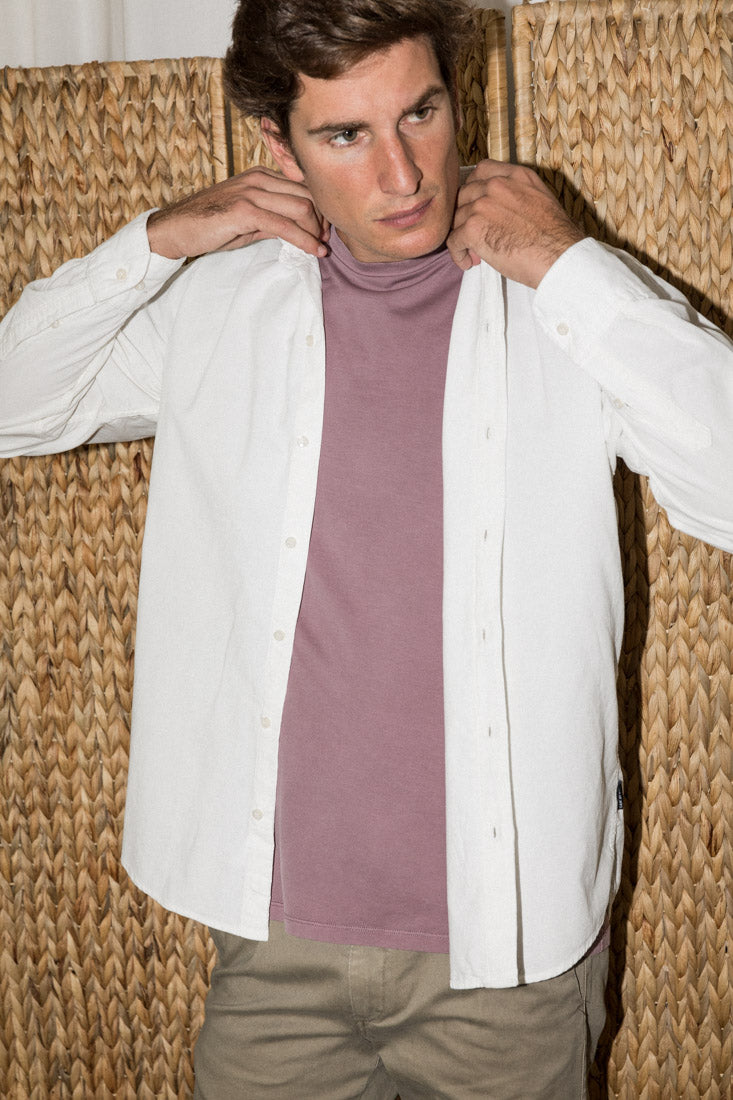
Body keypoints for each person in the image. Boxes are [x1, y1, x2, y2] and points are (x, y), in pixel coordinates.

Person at [1, 0, 732, 1095]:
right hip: (274, 945)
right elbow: (15, 403)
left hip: (508, 949)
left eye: (420, 113)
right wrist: (154, 240)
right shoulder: (222, 307)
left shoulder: (563, 307)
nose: (401, 174)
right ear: (276, 143)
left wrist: (567, 262)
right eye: (346, 134)